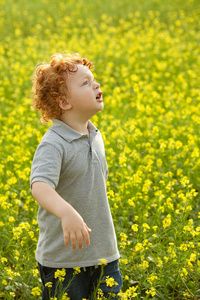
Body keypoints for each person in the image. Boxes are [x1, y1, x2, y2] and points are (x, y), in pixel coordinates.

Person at [30, 52, 122, 300]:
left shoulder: (95, 134)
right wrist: (67, 212)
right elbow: (40, 186)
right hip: (63, 260)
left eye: (94, 79)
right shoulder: (54, 143)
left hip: (104, 253)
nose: (97, 85)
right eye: (85, 83)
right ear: (64, 103)